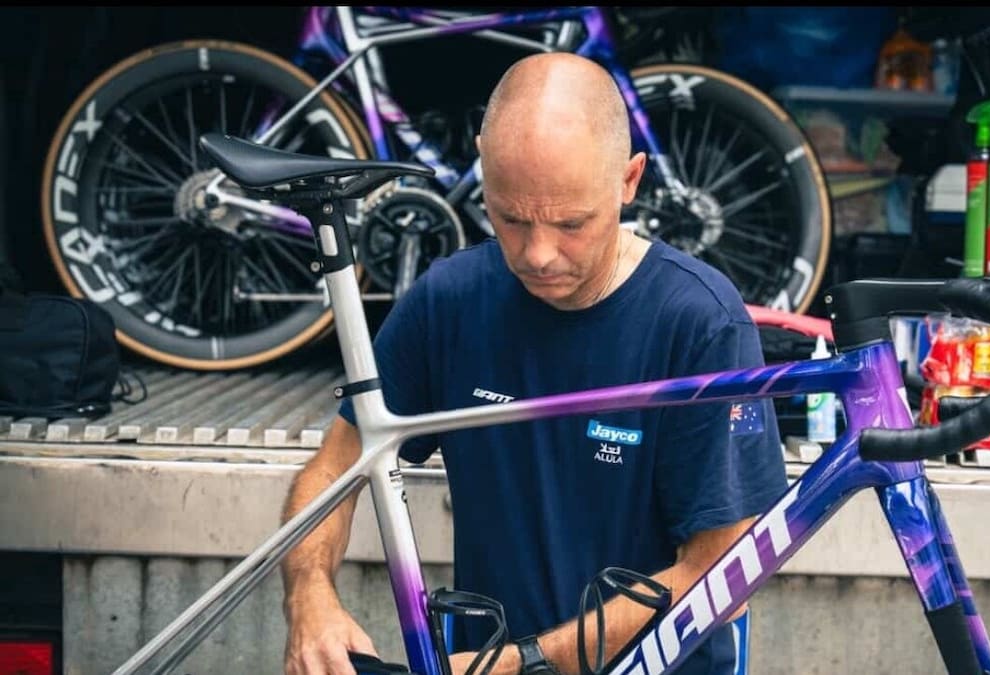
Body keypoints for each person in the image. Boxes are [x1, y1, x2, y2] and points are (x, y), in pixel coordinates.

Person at [280, 51, 788, 675]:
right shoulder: (451, 300)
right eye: (511, 218)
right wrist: (310, 596)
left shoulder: (699, 322)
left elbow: (724, 575)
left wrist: (522, 664)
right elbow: (335, 468)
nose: (539, 254)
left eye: (571, 223)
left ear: (628, 181)